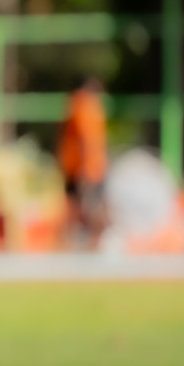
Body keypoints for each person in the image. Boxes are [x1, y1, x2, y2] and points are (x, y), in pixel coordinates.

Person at [58, 75, 108, 249]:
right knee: (88, 208)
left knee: (78, 208)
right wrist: (86, 169)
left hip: (79, 165)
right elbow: (85, 138)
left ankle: (78, 243)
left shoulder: (76, 104)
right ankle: (88, 245)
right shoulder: (85, 104)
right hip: (85, 168)